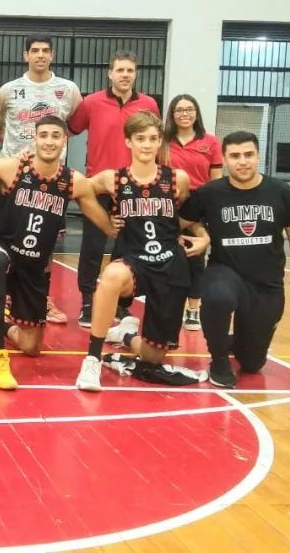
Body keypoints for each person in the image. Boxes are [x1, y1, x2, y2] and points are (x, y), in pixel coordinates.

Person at [0, 115, 117, 389]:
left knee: (31, 346)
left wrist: (117, 225)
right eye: (44, 135)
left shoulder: (73, 182)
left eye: (55, 136)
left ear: (64, 141)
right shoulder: (12, 168)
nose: (49, 141)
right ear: (35, 139)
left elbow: (104, 223)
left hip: (34, 266)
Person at [74, 112, 208, 392]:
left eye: (153, 139)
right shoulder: (112, 179)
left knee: (152, 358)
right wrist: (106, 223)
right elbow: (79, 189)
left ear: (160, 142)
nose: (147, 145)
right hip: (133, 260)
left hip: (170, 264)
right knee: (111, 277)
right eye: (140, 139)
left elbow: (186, 217)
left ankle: (126, 335)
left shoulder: (177, 179)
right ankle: (92, 359)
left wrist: (203, 236)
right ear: (128, 141)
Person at [179, 131, 290, 388]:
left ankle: (237, 341)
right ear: (225, 159)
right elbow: (179, 222)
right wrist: (202, 234)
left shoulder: (281, 192)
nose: (243, 161)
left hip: (266, 283)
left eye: (249, 155)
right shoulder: (209, 193)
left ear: (258, 156)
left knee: (252, 363)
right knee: (218, 298)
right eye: (235, 156)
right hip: (225, 271)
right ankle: (219, 360)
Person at [0, 35, 84, 324]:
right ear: (26, 55)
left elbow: (74, 124)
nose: (40, 55)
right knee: (9, 240)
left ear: (52, 55)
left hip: (51, 181)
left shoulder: (67, 90)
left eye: (46, 51)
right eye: (35, 51)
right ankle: (6, 297)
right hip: (15, 179)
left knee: (43, 245)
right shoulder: (8, 90)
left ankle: (41, 298)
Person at [68, 50, 160, 327]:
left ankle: (120, 304)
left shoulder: (149, 105)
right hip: (98, 187)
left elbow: (154, 141)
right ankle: (88, 302)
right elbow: (71, 129)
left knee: (127, 248)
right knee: (92, 247)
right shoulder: (91, 102)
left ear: (136, 73)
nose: (125, 75)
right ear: (110, 73)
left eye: (130, 70)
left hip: (134, 188)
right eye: (120, 70)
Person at [162, 94, 222, 332]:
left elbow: (216, 181)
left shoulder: (211, 142)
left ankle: (194, 309)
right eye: (179, 110)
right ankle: (167, 306)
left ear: (196, 113)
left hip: (199, 204)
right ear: (172, 114)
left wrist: (211, 210)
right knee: (167, 256)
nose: (184, 114)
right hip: (168, 202)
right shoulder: (163, 142)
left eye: (189, 109)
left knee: (195, 258)